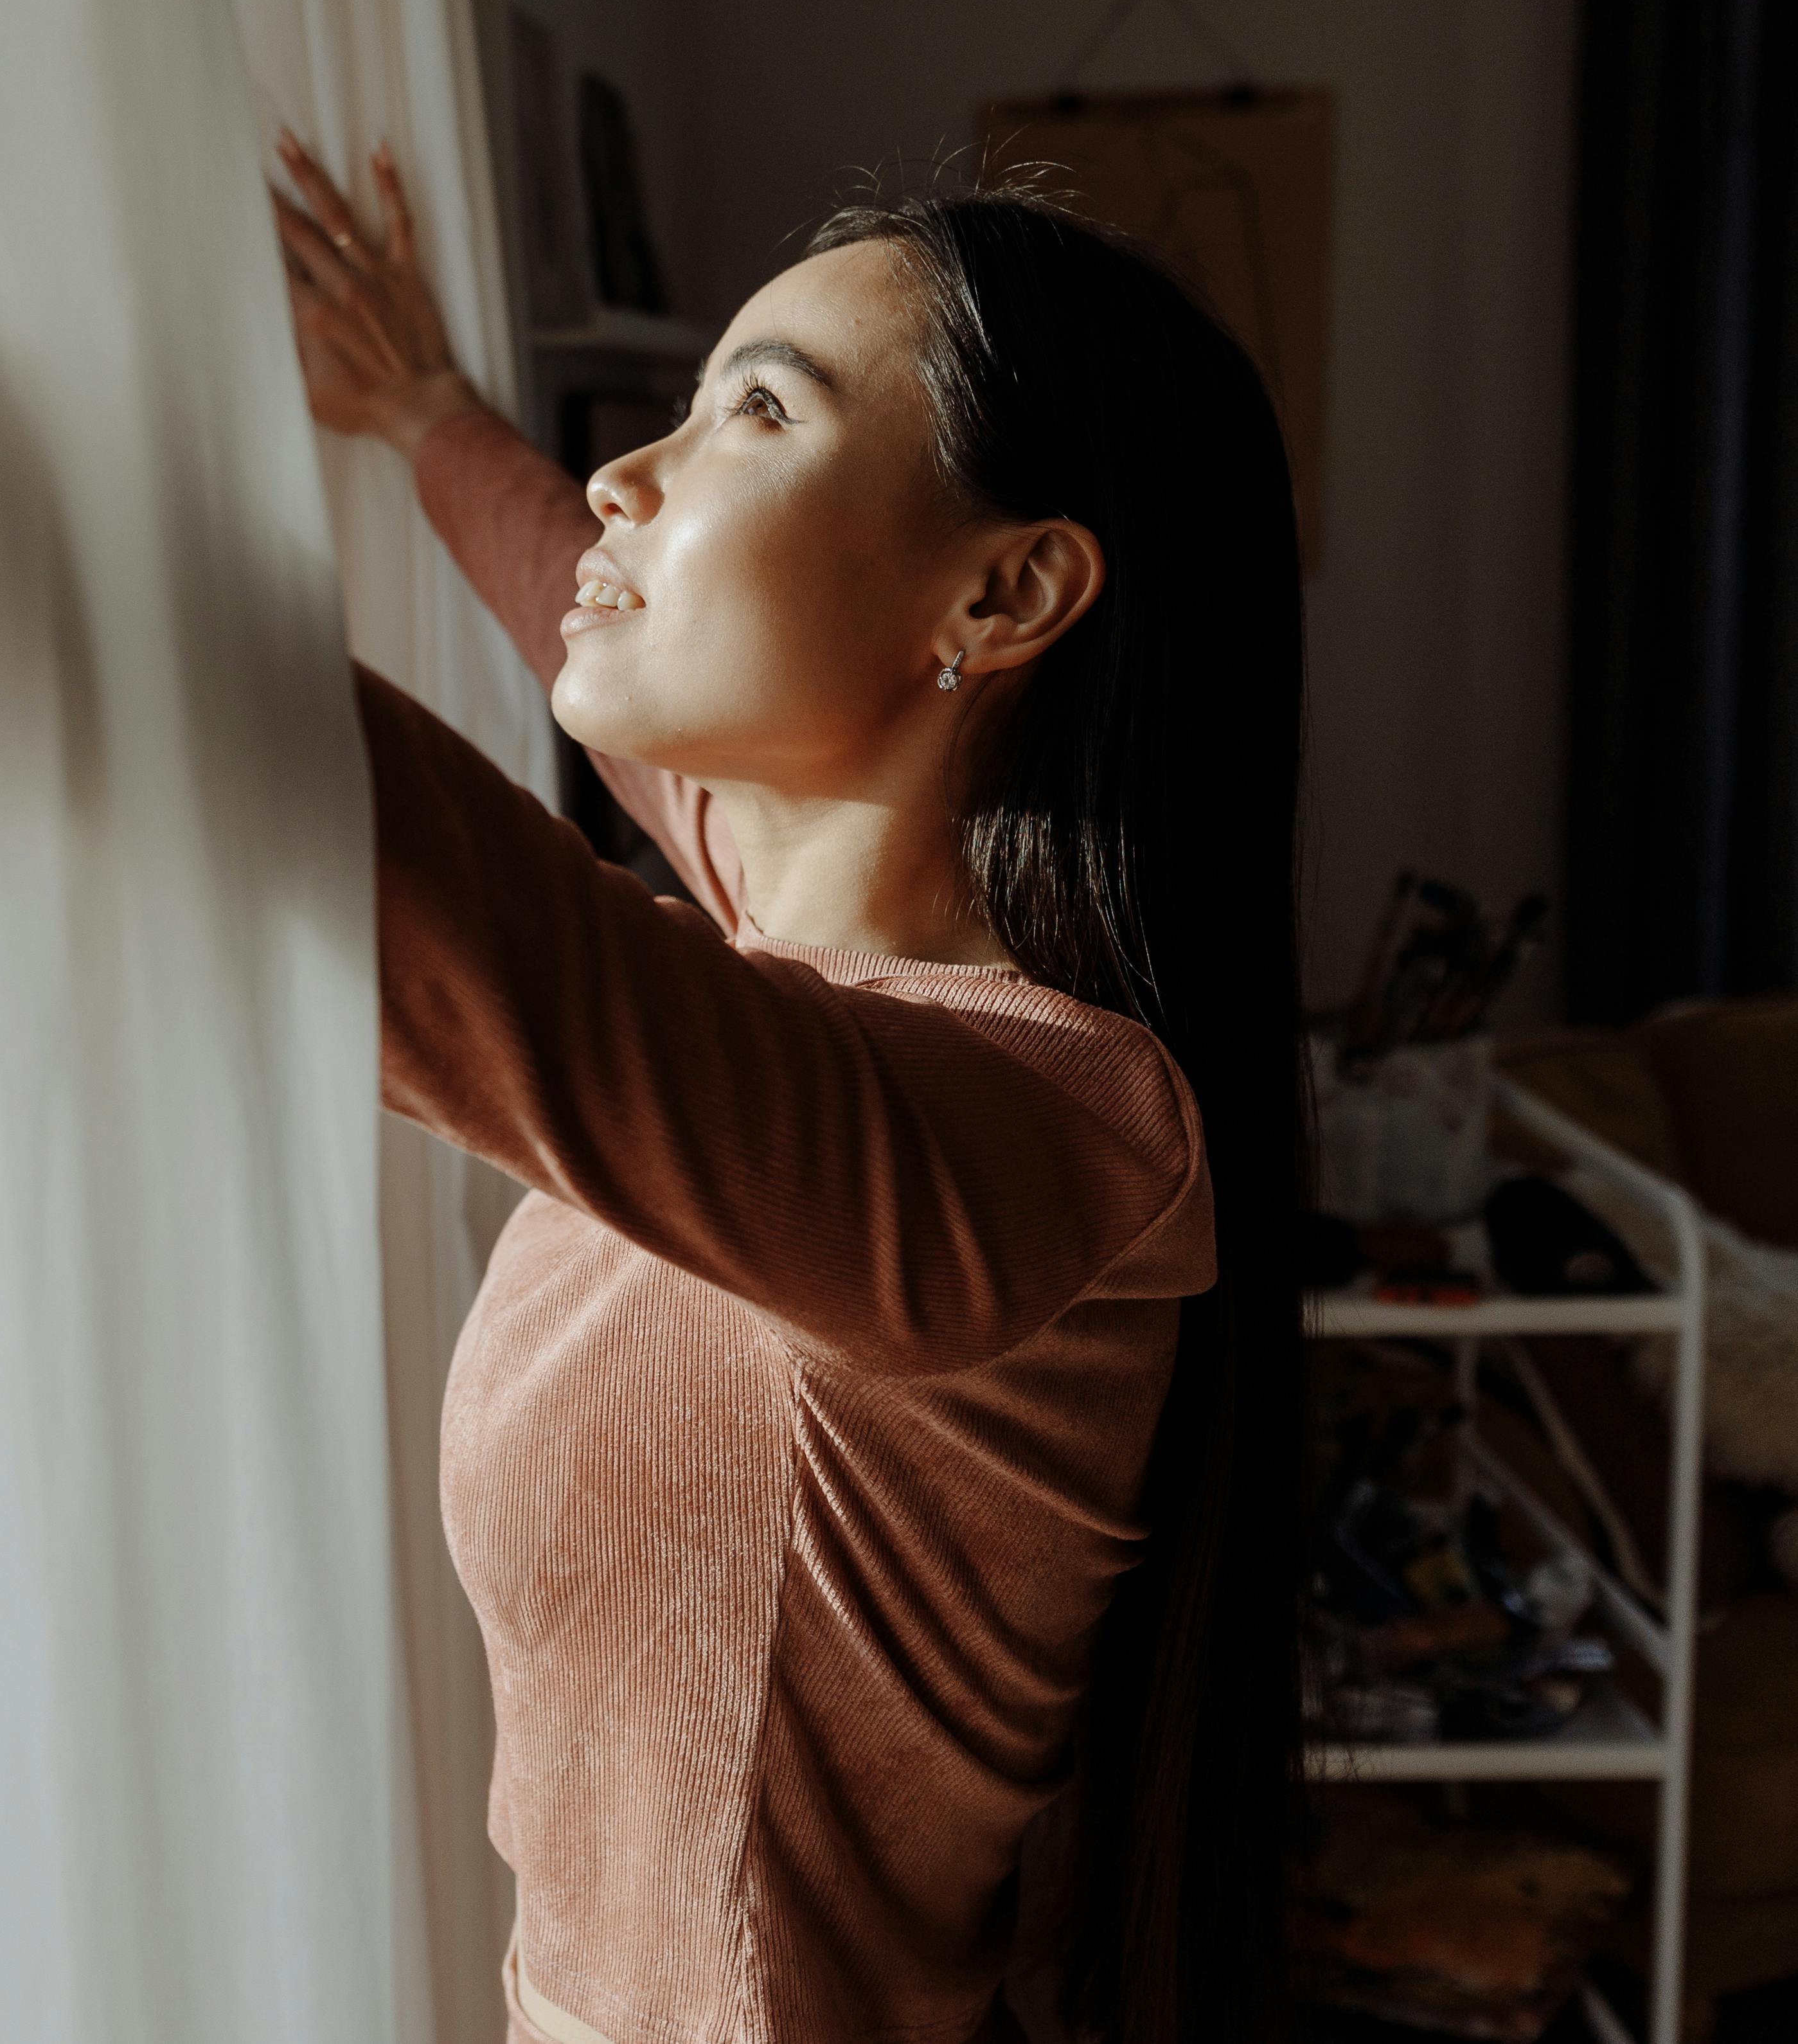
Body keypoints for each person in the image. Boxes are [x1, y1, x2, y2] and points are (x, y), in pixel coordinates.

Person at [269, 139, 1304, 2044]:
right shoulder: (809, 958)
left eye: (755, 410)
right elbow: (578, 626)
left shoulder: (1041, 1131)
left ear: (1003, 597)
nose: (628, 477)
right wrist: (422, 410)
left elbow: (446, 908)